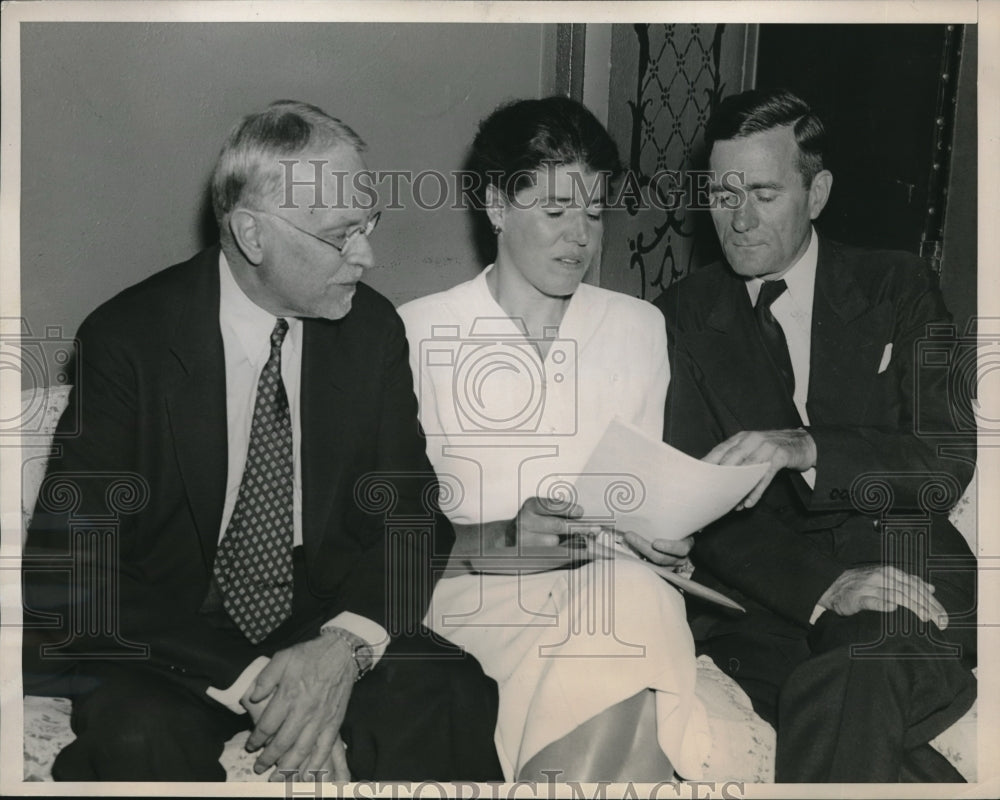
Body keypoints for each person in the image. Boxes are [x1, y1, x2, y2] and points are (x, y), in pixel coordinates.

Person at [22, 100, 503, 782]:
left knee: (449, 691)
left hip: (316, 612)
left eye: (369, 224)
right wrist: (267, 687)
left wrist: (341, 650)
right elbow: (70, 566)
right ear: (252, 234)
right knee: (136, 741)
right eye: (341, 235)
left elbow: (413, 517)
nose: (367, 256)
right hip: (173, 631)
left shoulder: (371, 330)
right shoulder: (127, 340)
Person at [655, 88, 977, 782]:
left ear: (818, 192)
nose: (738, 221)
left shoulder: (897, 285)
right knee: (855, 705)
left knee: (861, 661)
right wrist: (828, 584)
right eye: (722, 194)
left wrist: (808, 446)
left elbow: (944, 459)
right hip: (768, 605)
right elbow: (696, 506)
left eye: (764, 194)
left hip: (904, 576)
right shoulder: (681, 314)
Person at [398, 96, 711, 783]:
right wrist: (510, 539)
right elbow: (382, 542)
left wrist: (662, 532)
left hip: (610, 580)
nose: (581, 238)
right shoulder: (415, 333)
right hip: (476, 593)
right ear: (498, 207)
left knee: (631, 594)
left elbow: (640, 491)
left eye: (594, 214)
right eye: (556, 211)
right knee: (631, 642)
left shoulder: (637, 327)